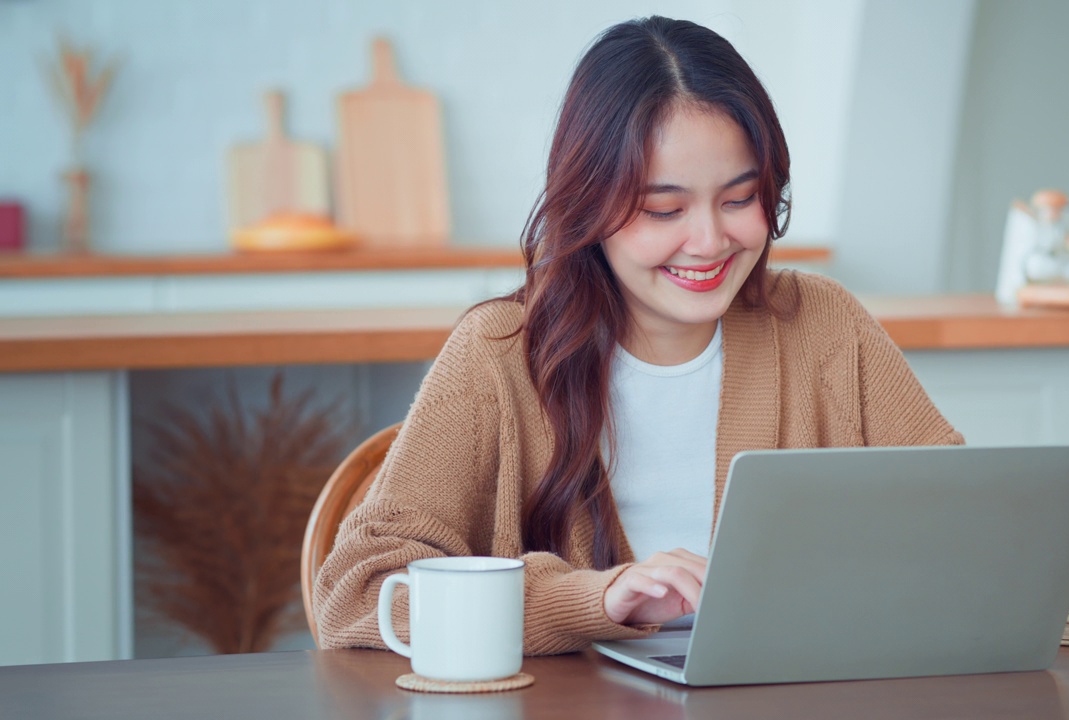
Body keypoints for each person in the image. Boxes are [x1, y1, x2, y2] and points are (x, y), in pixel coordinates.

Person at [314, 16, 962, 656]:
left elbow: (969, 522)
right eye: (663, 210)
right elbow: (355, 594)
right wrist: (593, 600)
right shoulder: (498, 355)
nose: (709, 242)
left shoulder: (823, 325)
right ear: (589, 206)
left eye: (739, 199)